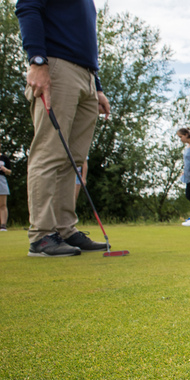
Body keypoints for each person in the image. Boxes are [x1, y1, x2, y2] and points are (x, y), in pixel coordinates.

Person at [17, 0, 112, 257]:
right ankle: (41, 236)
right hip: (57, 67)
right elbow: (28, 6)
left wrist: (97, 86)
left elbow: (83, 40)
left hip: (86, 75)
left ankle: (65, 229)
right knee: (50, 153)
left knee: (74, 159)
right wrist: (37, 60)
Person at [0, 147, 10, 232]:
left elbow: (9, 171)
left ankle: (3, 225)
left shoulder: (4, 158)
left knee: (2, 204)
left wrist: (5, 169)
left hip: (1, 180)